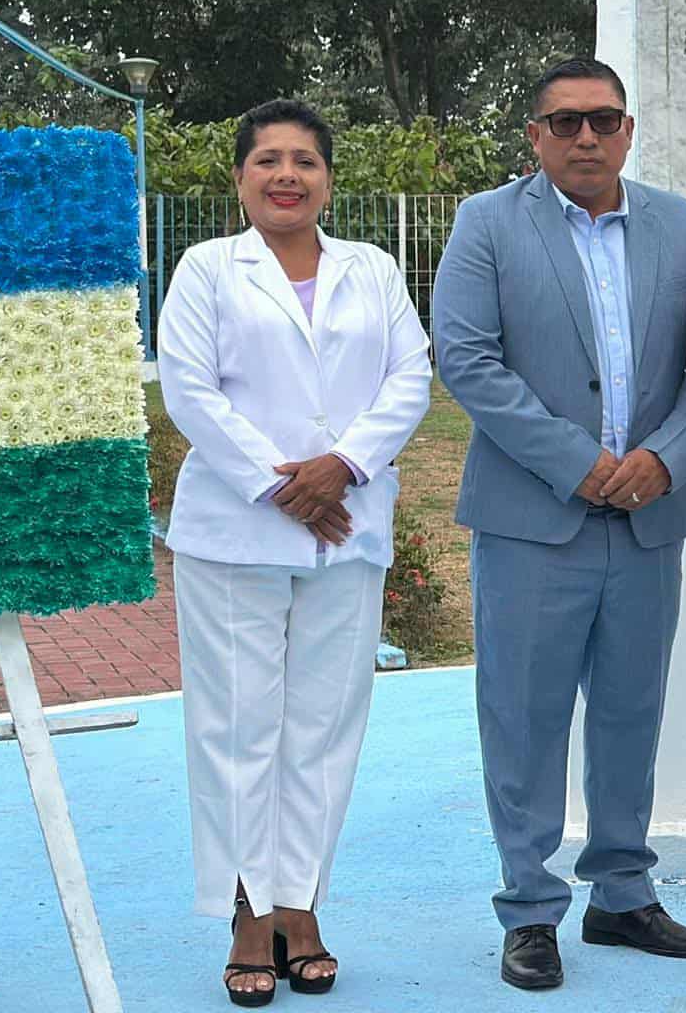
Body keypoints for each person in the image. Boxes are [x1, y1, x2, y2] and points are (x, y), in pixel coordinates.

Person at [432, 56, 686, 992]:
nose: (586, 137)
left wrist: (666, 458)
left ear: (628, 130)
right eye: (565, 122)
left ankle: (622, 895)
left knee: (632, 710)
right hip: (533, 519)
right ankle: (529, 906)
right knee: (524, 716)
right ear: (535, 136)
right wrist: (578, 463)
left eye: (603, 120)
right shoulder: (486, 223)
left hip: (647, 516)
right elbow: (466, 360)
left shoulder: (683, 226)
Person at [158, 98, 433, 1007]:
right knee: (238, 726)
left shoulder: (372, 269)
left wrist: (342, 467)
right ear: (240, 178)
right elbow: (190, 391)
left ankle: (300, 906)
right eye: (268, 160)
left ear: (327, 179)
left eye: (304, 161)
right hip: (237, 533)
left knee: (322, 728)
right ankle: (249, 915)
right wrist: (285, 487)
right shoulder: (207, 269)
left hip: (347, 528)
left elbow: (410, 377)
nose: (286, 175)